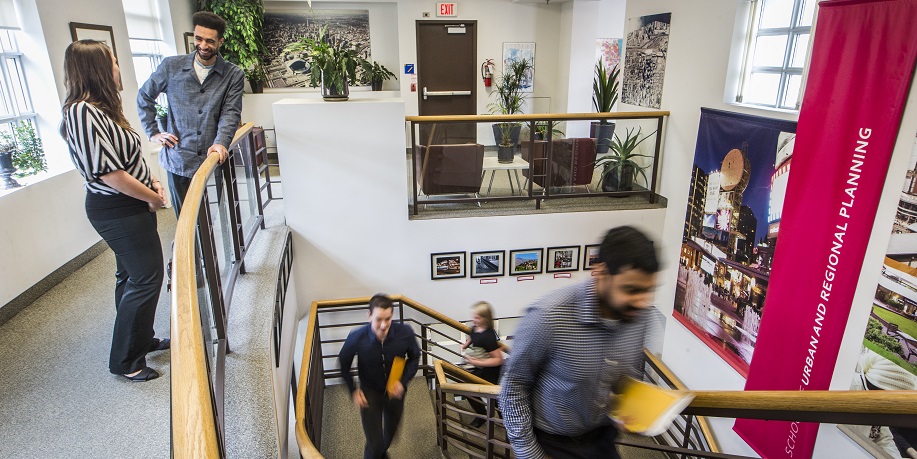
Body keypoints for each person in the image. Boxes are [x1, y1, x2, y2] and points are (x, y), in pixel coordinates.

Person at [499, 226, 663, 459]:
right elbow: (513, 387)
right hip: (552, 445)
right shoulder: (548, 317)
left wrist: (630, 406)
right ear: (600, 271)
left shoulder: (638, 316)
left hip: (603, 439)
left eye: (648, 291)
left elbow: (623, 377)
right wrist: (530, 454)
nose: (642, 302)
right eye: (631, 289)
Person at [61, 40, 170, 382]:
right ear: (97, 70)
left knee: (131, 276)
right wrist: (151, 199)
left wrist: (151, 179)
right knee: (146, 277)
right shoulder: (82, 112)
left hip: (130, 204)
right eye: (113, 62)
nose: (118, 69)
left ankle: (141, 339)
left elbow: (127, 159)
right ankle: (125, 360)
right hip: (117, 208)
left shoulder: (104, 110)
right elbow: (110, 174)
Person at [137, 11, 244, 217]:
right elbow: (144, 97)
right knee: (184, 219)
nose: (203, 45)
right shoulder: (171, 66)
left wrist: (221, 142)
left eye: (210, 41)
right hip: (179, 160)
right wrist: (153, 133)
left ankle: (207, 250)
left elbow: (230, 113)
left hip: (211, 161)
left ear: (220, 41)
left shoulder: (233, 74)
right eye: (198, 39)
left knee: (210, 218)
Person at [339, 294, 422, 459]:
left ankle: (380, 453)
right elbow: (343, 363)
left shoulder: (405, 332)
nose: (383, 325)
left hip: (395, 390)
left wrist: (403, 382)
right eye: (378, 319)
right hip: (370, 393)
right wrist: (353, 390)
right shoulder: (357, 337)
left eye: (388, 319)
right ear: (369, 315)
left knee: (390, 435)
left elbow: (415, 357)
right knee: (374, 444)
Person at [460, 301, 503, 427]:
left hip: (491, 371)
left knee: (494, 396)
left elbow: (498, 359)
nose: (474, 320)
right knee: (469, 390)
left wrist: (476, 361)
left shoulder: (489, 336)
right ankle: (483, 415)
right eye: (474, 316)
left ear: (485, 318)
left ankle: (503, 418)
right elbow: (473, 336)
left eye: (477, 317)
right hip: (480, 367)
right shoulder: (475, 327)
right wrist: (466, 344)